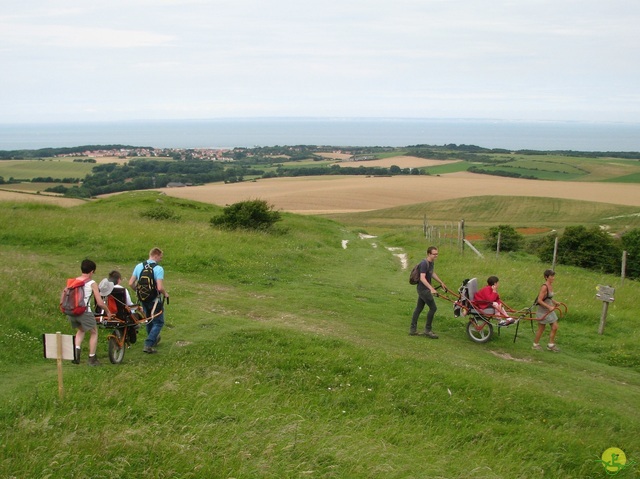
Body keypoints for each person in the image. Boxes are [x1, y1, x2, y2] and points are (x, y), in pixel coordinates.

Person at [67, 259, 110, 366]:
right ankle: (92, 358)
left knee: (81, 330)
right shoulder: (92, 283)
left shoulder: (74, 281)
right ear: (91, 271)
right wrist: (108, 311)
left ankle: (76, 353)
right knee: (94, 332)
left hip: (72, 311)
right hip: (84, 312)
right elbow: (100, 302)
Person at [129, 247, 169, 354]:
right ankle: (148, 344)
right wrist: (165, 294)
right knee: (159, 322)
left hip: (143, 298)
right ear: (156, 255)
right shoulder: (158, 269)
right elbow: (159, 287)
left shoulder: (139, 266)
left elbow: (130, 283)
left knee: (148, 319)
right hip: (154, 299)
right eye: (160, 257)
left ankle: (153, 339)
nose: (161, 259)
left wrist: (138, 291)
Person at [409, 246, 449, 338]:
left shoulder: (431, 263)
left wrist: (441, 282)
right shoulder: (424, 263)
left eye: (437, 254)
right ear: (428, 254)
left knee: (418, 308)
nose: (436, 256)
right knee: (433, 308)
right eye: (434, 254)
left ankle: (412, 330)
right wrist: (431, 288)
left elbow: (431, 273)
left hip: (424, 289)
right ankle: (428, 330)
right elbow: (422, 278)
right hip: (423, 290)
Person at [533, 269, 561, 352]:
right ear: (546, 277)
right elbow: (539, 300)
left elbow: (548, 297)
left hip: (549, 310)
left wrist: (555, 302)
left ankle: (551, 345)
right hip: (543, 310)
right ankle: (535, 344)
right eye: (551, 276)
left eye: (553, 276)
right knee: (541, 328)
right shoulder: (544, 287)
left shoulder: (550, 286)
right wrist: (549, 307)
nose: (553, 278)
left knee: (555, 327)